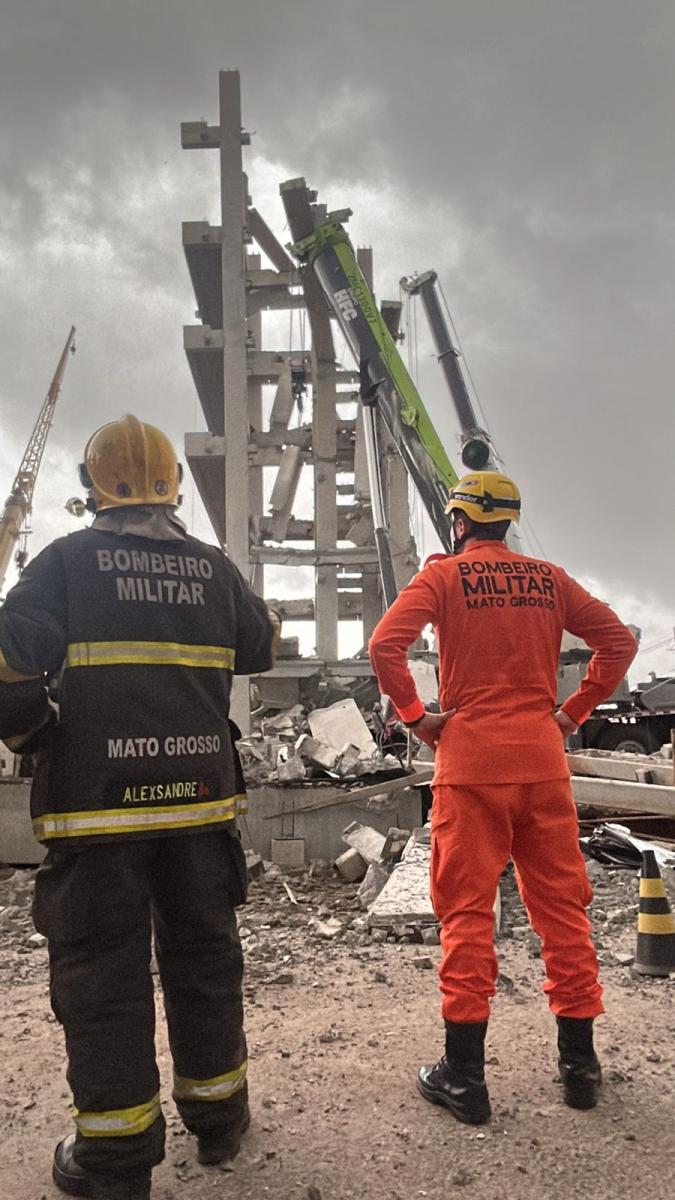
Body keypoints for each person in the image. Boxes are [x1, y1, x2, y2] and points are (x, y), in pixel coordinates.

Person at [0, 415, 276, 1200]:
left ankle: (116, 1165)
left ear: (92, 489)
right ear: (173, 488)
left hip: (97, 814)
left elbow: (6, 663)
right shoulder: (213, 568)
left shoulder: (64, 563)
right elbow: (260, 645)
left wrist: (36, 733)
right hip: (199, 807)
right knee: (206, 962)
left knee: (103, 981)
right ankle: (219, 1121)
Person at [368, 470, 637, 1126]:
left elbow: (384, 645)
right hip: (541, 765)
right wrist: (571, 713)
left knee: (466, 914)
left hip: (469, 765)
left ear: (459, 522)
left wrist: (416, 718)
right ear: (508, 521)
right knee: (562, 914)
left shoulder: (443, 577)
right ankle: (580, 1070)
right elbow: (619, 642)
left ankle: (464, 1079)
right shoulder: (549, 580)